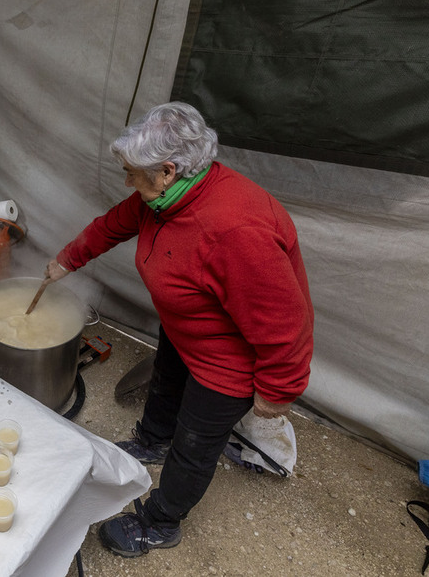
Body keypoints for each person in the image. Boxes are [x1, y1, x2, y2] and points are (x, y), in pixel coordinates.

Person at [45, 102, 313, 558]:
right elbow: (113, 224)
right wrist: (69, 258)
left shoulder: (236, 229)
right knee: (166, 385)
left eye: (132, 173)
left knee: (195, 443)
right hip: (187, 327)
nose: (128, 181)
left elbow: (286, 322)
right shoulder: (165, 197)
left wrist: (279, 389)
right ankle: (152, 440)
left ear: (167, 170)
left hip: (226, 363)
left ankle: (160, 521)